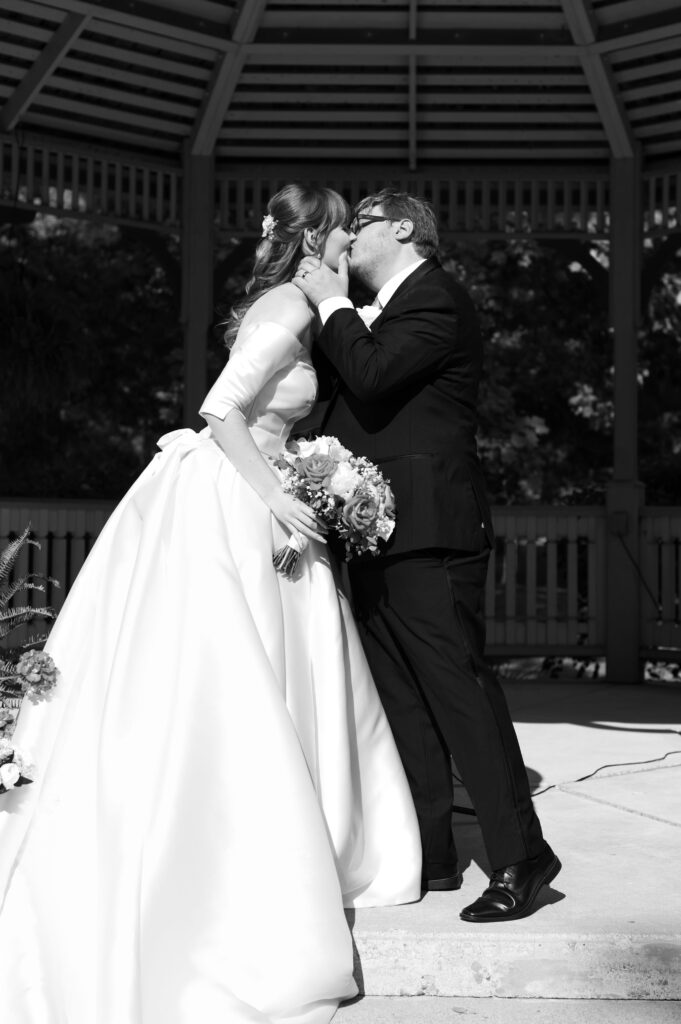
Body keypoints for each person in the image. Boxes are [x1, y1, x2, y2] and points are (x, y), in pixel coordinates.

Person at [0, 184, 422, 1024]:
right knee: (231, 682)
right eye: (343, 236)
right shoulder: (289, 306)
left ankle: (314, 838)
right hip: (232, 504)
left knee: (285, 672)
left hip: (257, 496)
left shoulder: (301, 304)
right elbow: (221, 408)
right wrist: (278, 496)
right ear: (315, 243)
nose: (350, 250)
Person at [293, 189, 561, 923]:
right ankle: (431, 852)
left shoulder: (436, 298)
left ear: (402, 228)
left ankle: (521, 859)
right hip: (370, 532)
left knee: (459, 696)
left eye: (361, 225)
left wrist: (333, 304)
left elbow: (375, 375)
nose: (347, 239)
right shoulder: (369, 313)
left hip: (433, 532)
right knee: (400, 703)